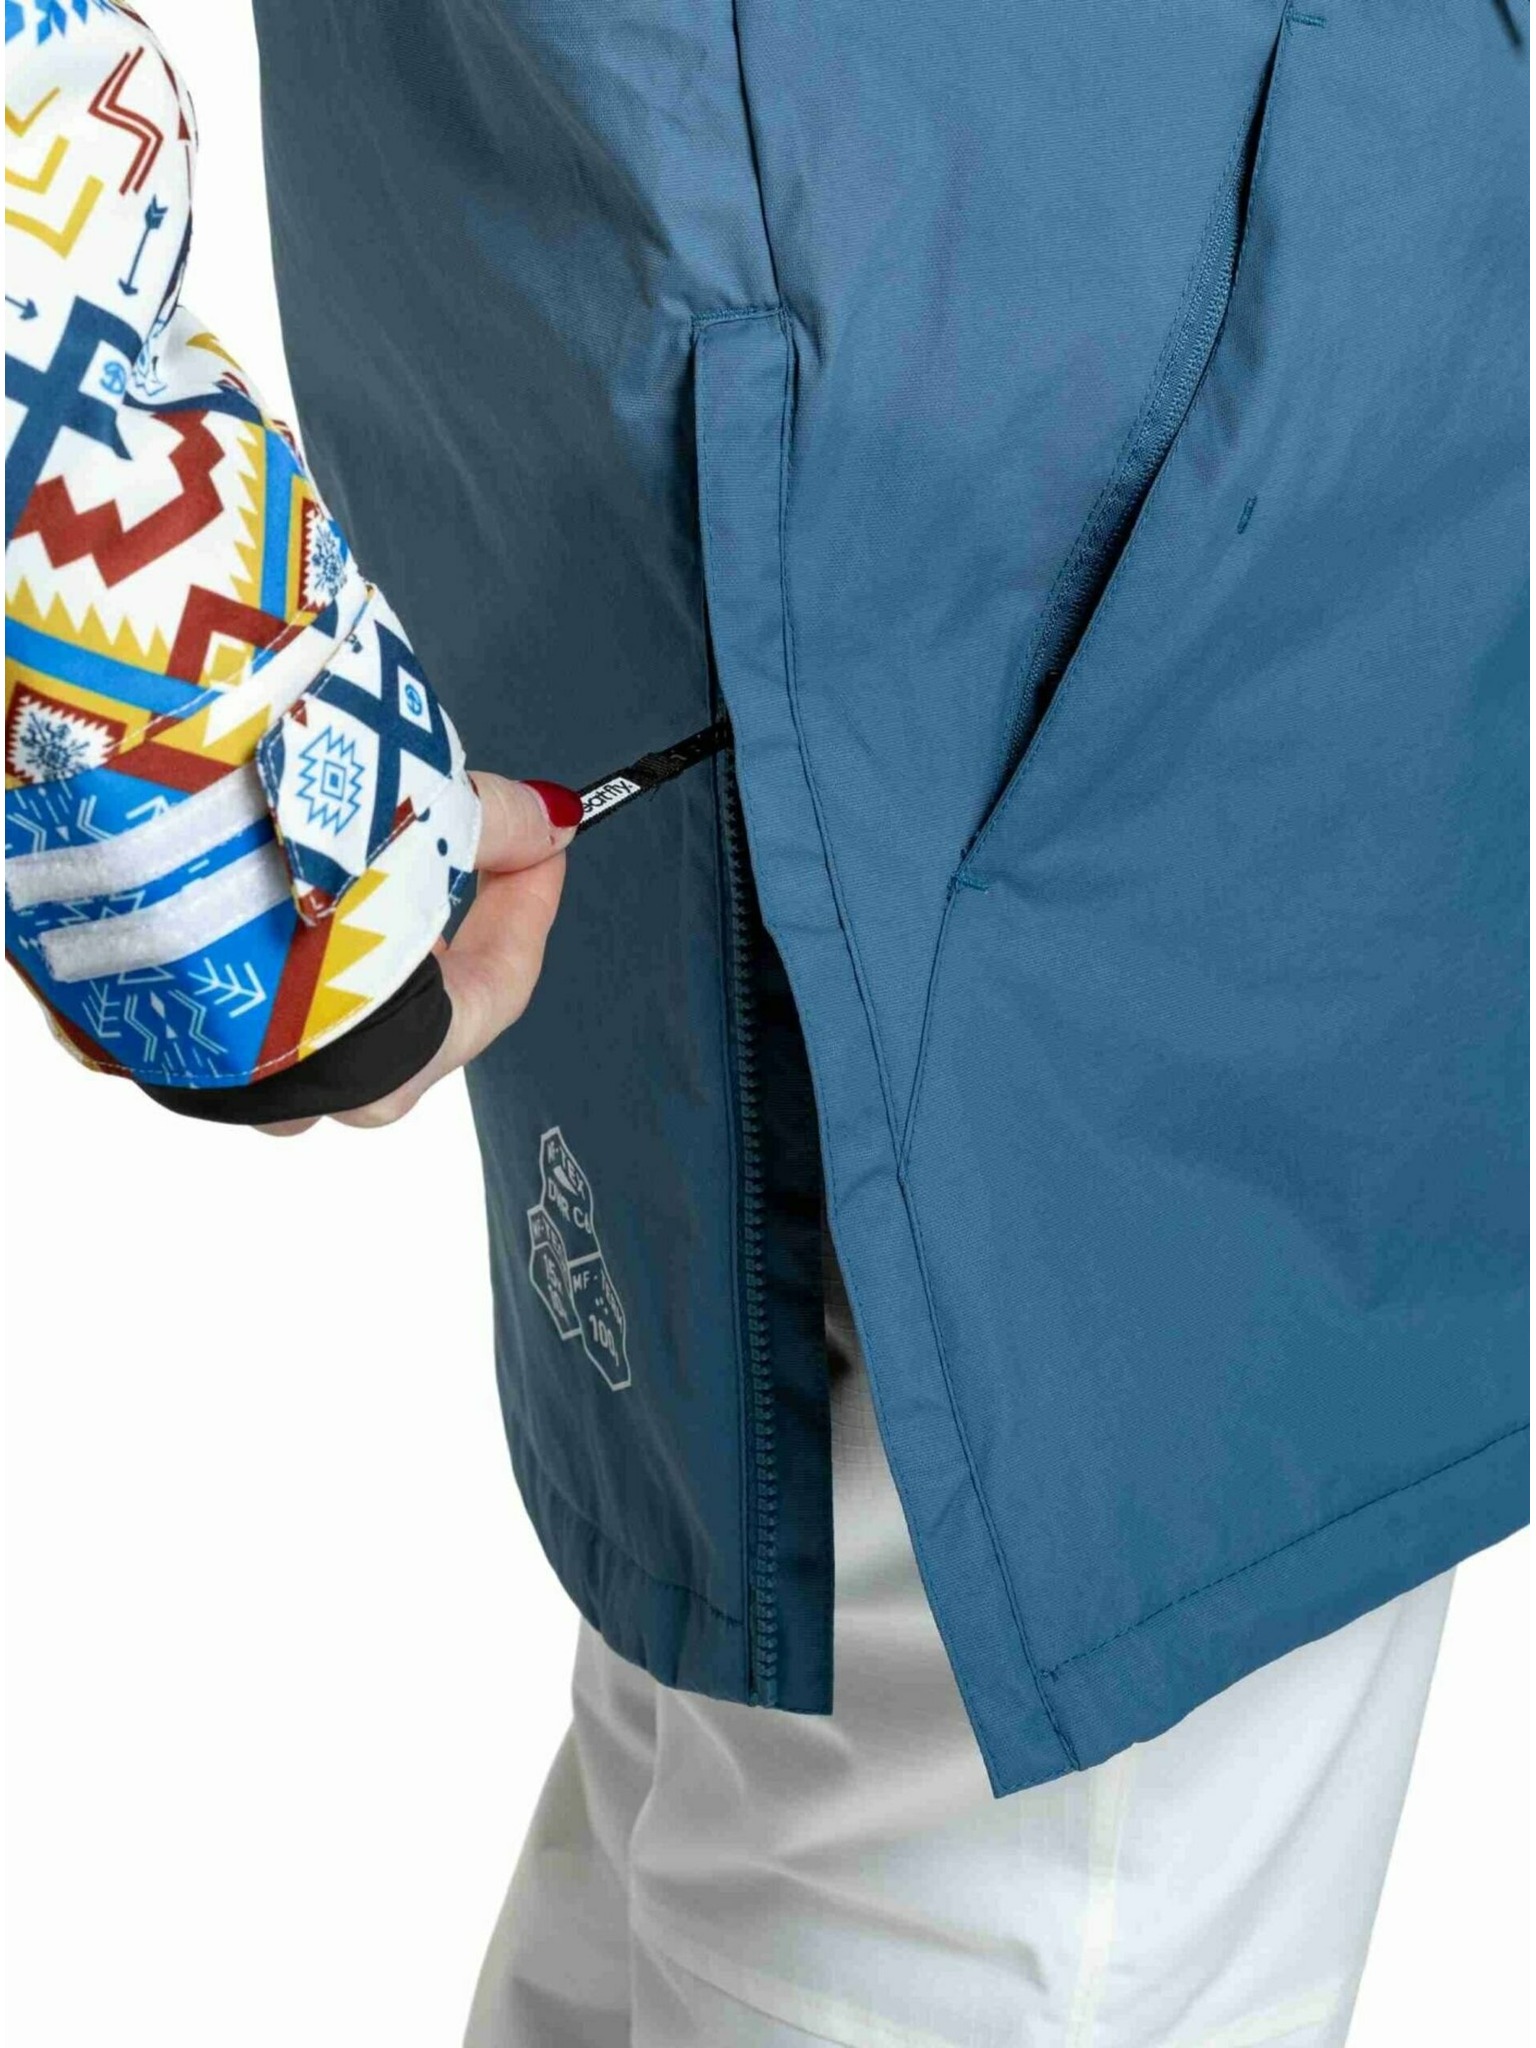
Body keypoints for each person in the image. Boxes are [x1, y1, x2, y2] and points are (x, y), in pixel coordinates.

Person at [5, 4, 1526, 2043]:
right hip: (1030, 563)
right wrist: (164, 717)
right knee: (978, 1807)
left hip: (957, 419)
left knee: (773, 1764)